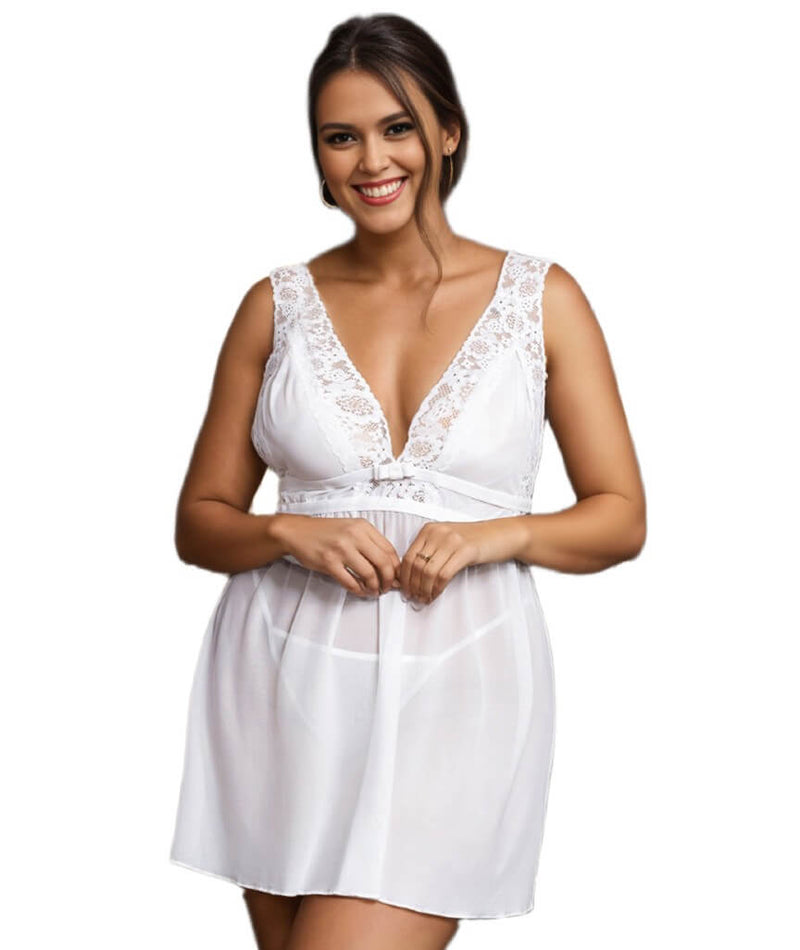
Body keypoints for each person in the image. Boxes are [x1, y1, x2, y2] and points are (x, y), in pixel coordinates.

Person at [168, 13, 646, 950]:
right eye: (340, 136)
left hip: (455, 690)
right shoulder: (276, 306)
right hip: (281, 689)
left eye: (397, 128)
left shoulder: (540, 299)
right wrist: (284, 530)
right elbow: (198, 522)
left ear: (448, 133)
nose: (371, 160)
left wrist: (494, 535)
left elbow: (620, 517)